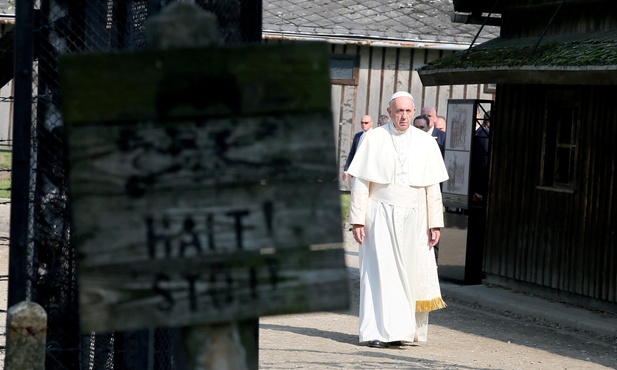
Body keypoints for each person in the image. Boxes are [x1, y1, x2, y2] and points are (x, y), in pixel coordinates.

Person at [347, 91, 448, 349]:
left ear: (414, 113)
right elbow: (361, 182)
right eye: (398, 111)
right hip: (379, 214)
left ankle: (402, 330)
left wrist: (434, 222)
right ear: (390, 112)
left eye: (408, 111)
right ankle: (379, 332)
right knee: (381, 274)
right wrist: (357, 219)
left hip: (415, 218)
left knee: (409, 274)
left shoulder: (427, 143)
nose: (403, 116)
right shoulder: (373, 138)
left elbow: (432, 187)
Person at [342, 115, 373, 181]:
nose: (363, 124)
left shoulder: (376, 135)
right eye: (362, 123)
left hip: (370, 171)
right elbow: (352, 153)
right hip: (358, 170)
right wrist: (346, 170)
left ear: (371, 123)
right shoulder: (358, 136)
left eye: (366, 123)